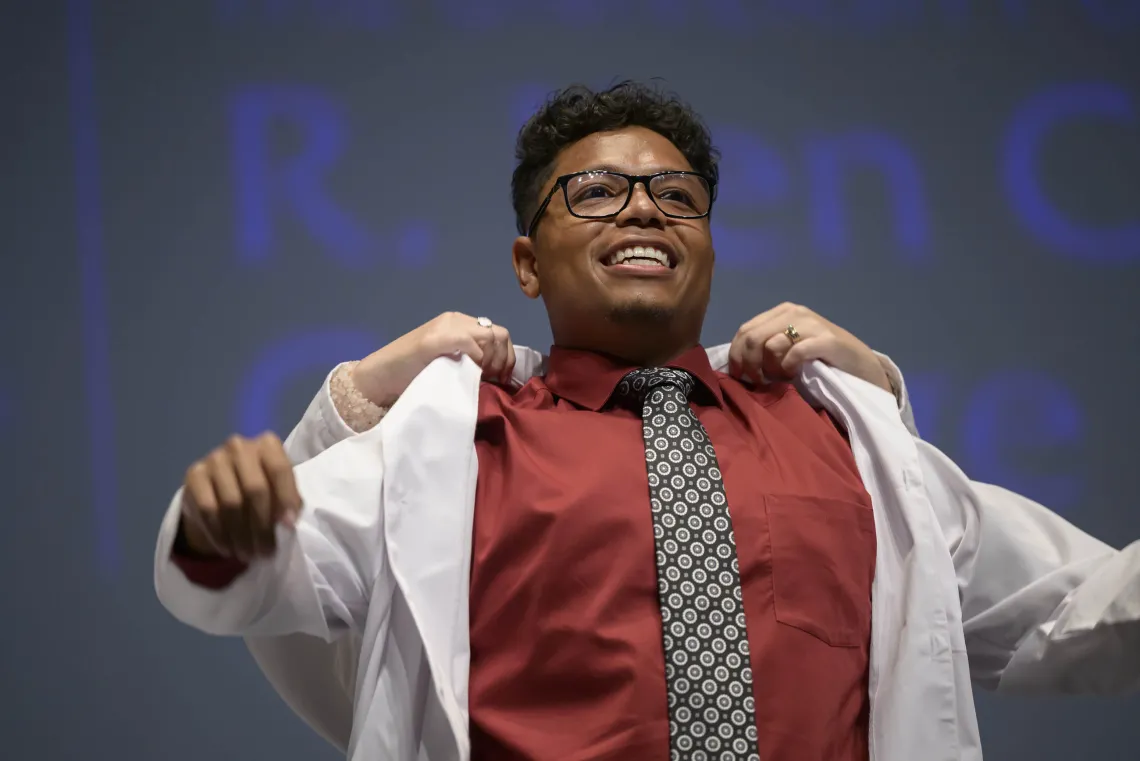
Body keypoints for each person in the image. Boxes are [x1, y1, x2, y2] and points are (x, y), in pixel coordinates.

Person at [154, 82, 1140, 761]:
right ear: (527, 263)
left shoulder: (836, 432)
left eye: (677, 195)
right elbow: (267, 568)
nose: (643, 211)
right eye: (595, 192)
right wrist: (220, 528)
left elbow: (1081, 607)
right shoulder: (452, 437)